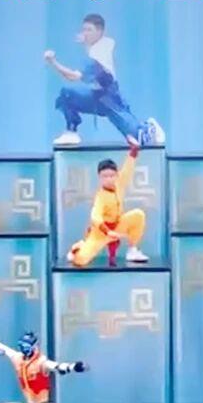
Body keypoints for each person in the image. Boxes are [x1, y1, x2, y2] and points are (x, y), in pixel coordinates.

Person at [45, 13, 164, 148]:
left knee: (137, 136)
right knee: (66, 94)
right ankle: (71, 130)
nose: (85, 33)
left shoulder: (96, 56)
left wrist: (53, 62)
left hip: (109, 97)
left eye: (89, 30)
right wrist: (86, 43)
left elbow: (72, 77)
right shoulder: (106, 42)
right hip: (96, 95)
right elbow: (97, 46)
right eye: (83, 30)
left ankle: (151, 128)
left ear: (100, 31)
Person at [67, 142, 149, 268]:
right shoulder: (100, 196)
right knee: (80, 260)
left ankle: (133, 250)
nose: (109, 179)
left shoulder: (119, 184)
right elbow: (95, 216)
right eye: (105, 176)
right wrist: (107, 231)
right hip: (101, 232)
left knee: (138, 215)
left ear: (116, 175)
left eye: (111, 176)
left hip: (118, 225)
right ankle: (78, 247)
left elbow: (127, 170)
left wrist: (133, 152)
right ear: (99, 178)